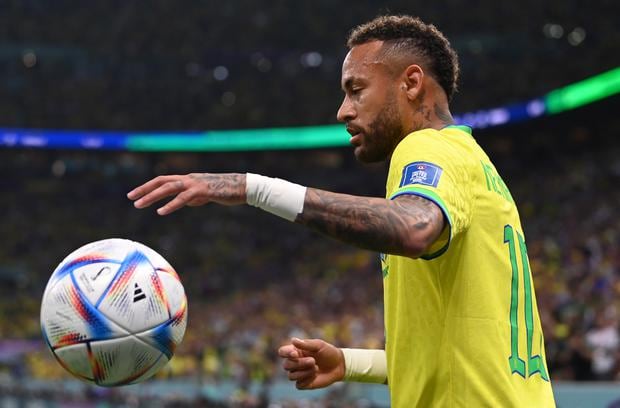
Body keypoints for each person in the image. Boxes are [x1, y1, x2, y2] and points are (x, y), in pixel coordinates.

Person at [127, 15, 555, 407]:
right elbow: (458, 353)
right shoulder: (473, 163)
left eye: (356, 89)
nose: (343, 110)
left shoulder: (427, 147)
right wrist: (348, 364)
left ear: (411, 83)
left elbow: (411, 228)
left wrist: (252, 187)